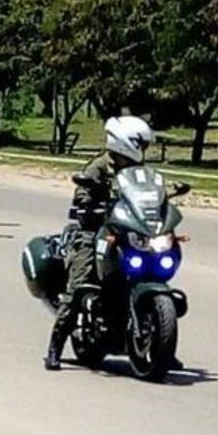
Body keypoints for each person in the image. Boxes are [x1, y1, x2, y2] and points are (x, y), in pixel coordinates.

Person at [45, 116, 153, 371]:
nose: (145, 150)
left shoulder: (138, 170)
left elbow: (147, 192)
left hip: (126, 230)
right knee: (79, 286)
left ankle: (161, 348)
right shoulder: (97, 167)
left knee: (149, 268)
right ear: (126, 142)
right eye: (142, 144)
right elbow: (82, 197)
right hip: (92, 231)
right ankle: (54, 347)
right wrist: (89, 204)